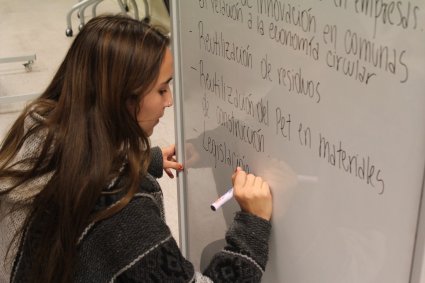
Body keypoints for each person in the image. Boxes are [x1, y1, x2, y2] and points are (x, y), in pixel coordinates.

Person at [0, 15, 272, 282]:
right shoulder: (124, 215)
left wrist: (143, 160)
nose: (169, 102)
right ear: (123, 97)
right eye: (162, 89)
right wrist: (252, 225)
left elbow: (75, 167)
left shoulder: (37, 129)